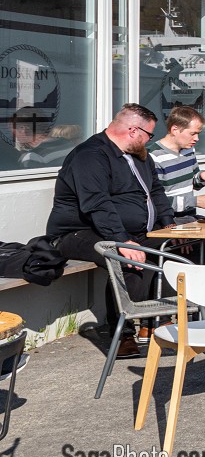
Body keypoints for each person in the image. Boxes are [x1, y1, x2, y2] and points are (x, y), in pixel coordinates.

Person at [46, 104, 176, 357]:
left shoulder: (139, 155)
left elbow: (156, 191)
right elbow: (97, 203)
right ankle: (122, 333)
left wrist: (169, 223)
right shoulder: (90, 155)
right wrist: (122, 240)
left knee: (166, 250)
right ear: (132, 130)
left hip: (127, 231)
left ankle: (152, 323)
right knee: (124, 259)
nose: (150, 140)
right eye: (149, 134)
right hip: (75, 232)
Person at [149, 104, 205, 216]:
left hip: (189, 218)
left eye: (198, 134)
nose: (197, 139)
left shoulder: (188, 150)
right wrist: (193, 201)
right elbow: (155, 201)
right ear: (175, 130)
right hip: (168, 222)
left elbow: (193, 184)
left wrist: (202, 177)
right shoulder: (154, 156)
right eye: (192, 134)